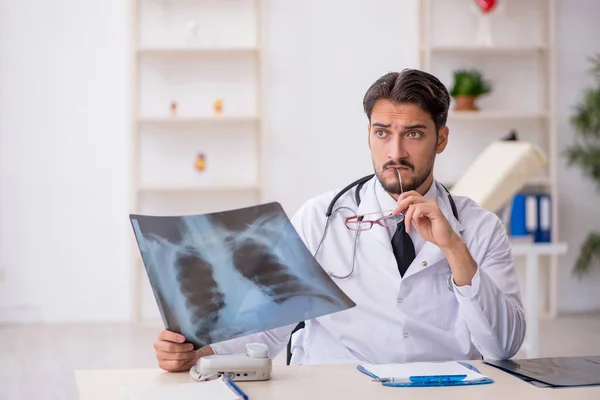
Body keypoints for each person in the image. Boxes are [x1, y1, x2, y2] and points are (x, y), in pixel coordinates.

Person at [153, 69, 526, 371]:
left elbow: (502, 348)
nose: (395, 152)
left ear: (441, 139)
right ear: (368, 135)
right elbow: (269, 330)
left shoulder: (479, 228)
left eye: (413, 134)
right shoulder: (320, 218)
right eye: (382, 133)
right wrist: (197, 354)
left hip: (441, 390)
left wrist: (454, 248)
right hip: (337, 389)